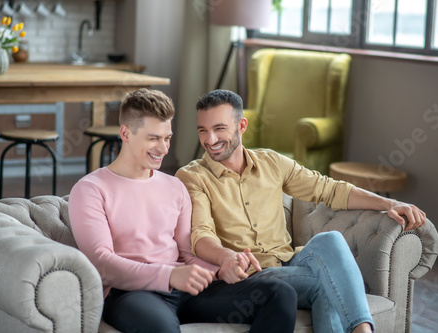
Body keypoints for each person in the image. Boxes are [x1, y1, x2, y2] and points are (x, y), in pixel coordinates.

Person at [175, 89, 428, 333]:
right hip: (256, 274)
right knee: (331, 283)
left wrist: (389, 204)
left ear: (241, 126)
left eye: (219, 128)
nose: (210, 140)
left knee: (330, 240)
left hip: (290, 260)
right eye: (203, 131)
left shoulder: (271, 162)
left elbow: (328, 189)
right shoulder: (193, 176)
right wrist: (225, 257)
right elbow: (201, 234)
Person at [68, 89, 297, 333]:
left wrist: (221, 269)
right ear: (126, 133)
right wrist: (168, 276)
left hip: (186, 289)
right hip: (131, 293)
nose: (163, 148)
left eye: (167, 138)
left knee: (279, 293)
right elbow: (102, 264)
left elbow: (186, 254)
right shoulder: (90, 189)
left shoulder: (174, 186)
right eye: (153, 138)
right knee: (161, 328)